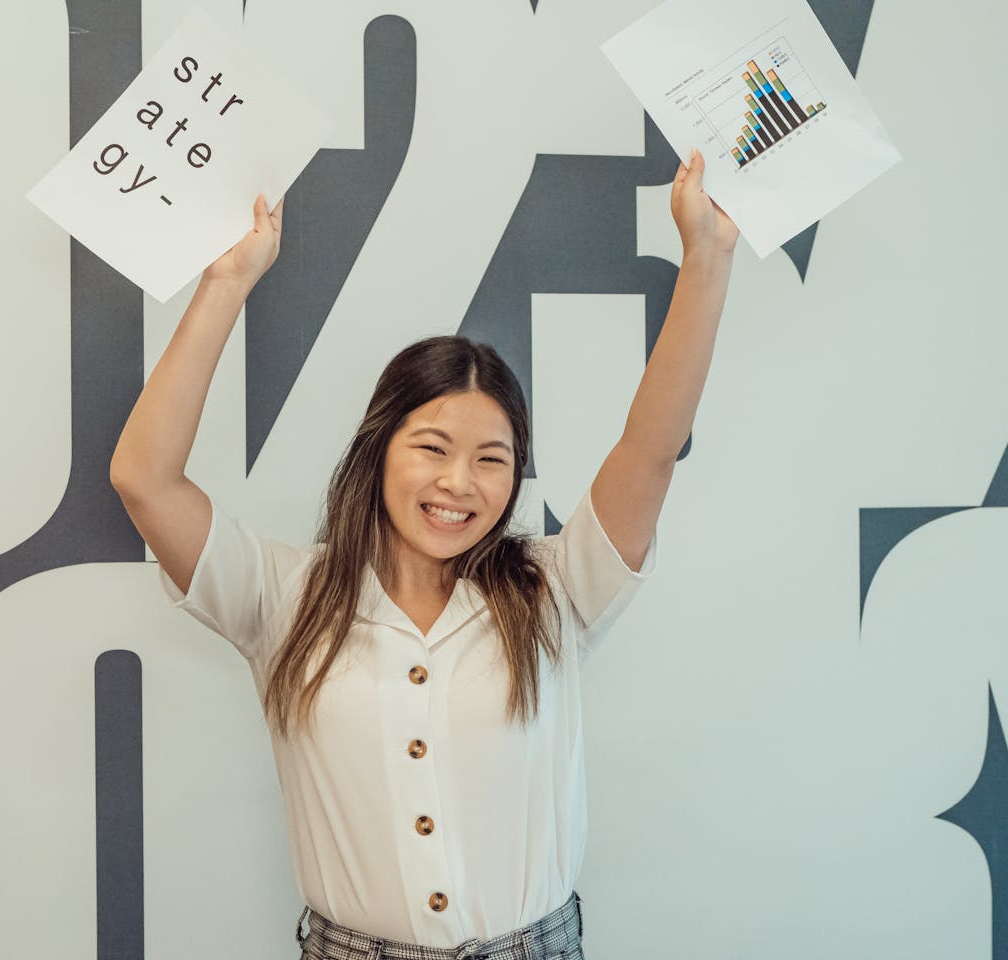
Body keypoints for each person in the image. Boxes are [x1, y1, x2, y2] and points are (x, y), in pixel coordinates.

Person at [110, 150, 737, 960]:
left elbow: (650, 450)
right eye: (432, 446)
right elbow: (144, 479)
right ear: (378, 450)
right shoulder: (283, 597)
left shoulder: (556, 589)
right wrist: (226, 283)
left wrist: (707, 259)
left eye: (491, 458)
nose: (458, 483)